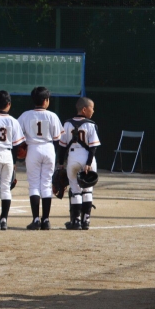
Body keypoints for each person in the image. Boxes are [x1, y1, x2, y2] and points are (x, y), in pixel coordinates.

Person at [17, 86, 64, 230]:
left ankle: (36, 219)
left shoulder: (25, 115)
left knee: (34, 185)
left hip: (33, 149)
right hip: (48, 148)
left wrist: (22, 148)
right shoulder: (52, 116)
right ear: (46, 100)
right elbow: (58, 139)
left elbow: (17, 135)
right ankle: (46, 220)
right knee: (46, 184)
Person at [58, 97, 100, 230]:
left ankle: (76, 222)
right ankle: (86, 221)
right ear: (84, 109)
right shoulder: (91, 125)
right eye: (92, 108)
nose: (93, 111)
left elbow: (62, 147)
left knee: (75, 190)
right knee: (87, 190)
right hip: (88, 158)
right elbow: (93, 147)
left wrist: (60, 163)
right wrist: (88, 163)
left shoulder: (67, 124)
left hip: (73, 158)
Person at [0, 90, 24, 231]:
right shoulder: (13, 121)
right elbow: (17, 145)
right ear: (9, 104)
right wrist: (14, 162)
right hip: (8, 154)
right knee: (6, 188)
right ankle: (4, 220)